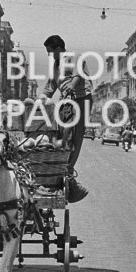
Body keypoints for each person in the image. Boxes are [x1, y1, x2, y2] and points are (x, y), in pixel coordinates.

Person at [42, 34, 92, 172]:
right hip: (66, 99)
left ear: (58, 49)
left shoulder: (74, 56)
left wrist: (72, 85)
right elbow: (50, 86)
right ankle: (60, 160)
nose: (50, 55)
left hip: (82, 99)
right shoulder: (55, 65)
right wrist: (40, 99)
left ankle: (68, 168)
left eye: (50, 52)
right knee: (61, 130)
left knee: (76, 134)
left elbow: (78, 74)